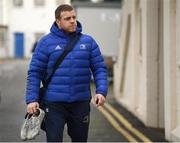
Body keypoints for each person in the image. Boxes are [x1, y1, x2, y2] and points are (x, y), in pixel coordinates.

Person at [25, 4, 108, 142]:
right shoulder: (45, 43)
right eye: (67, 18)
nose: (72, 21)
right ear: (58, 21)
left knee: (80, 140)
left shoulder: (88, 42)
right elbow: (35, 73)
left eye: (74, 17)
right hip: (53, 104)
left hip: (80, 103)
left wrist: (101, 91)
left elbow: (99, 68)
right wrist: (32, 100)